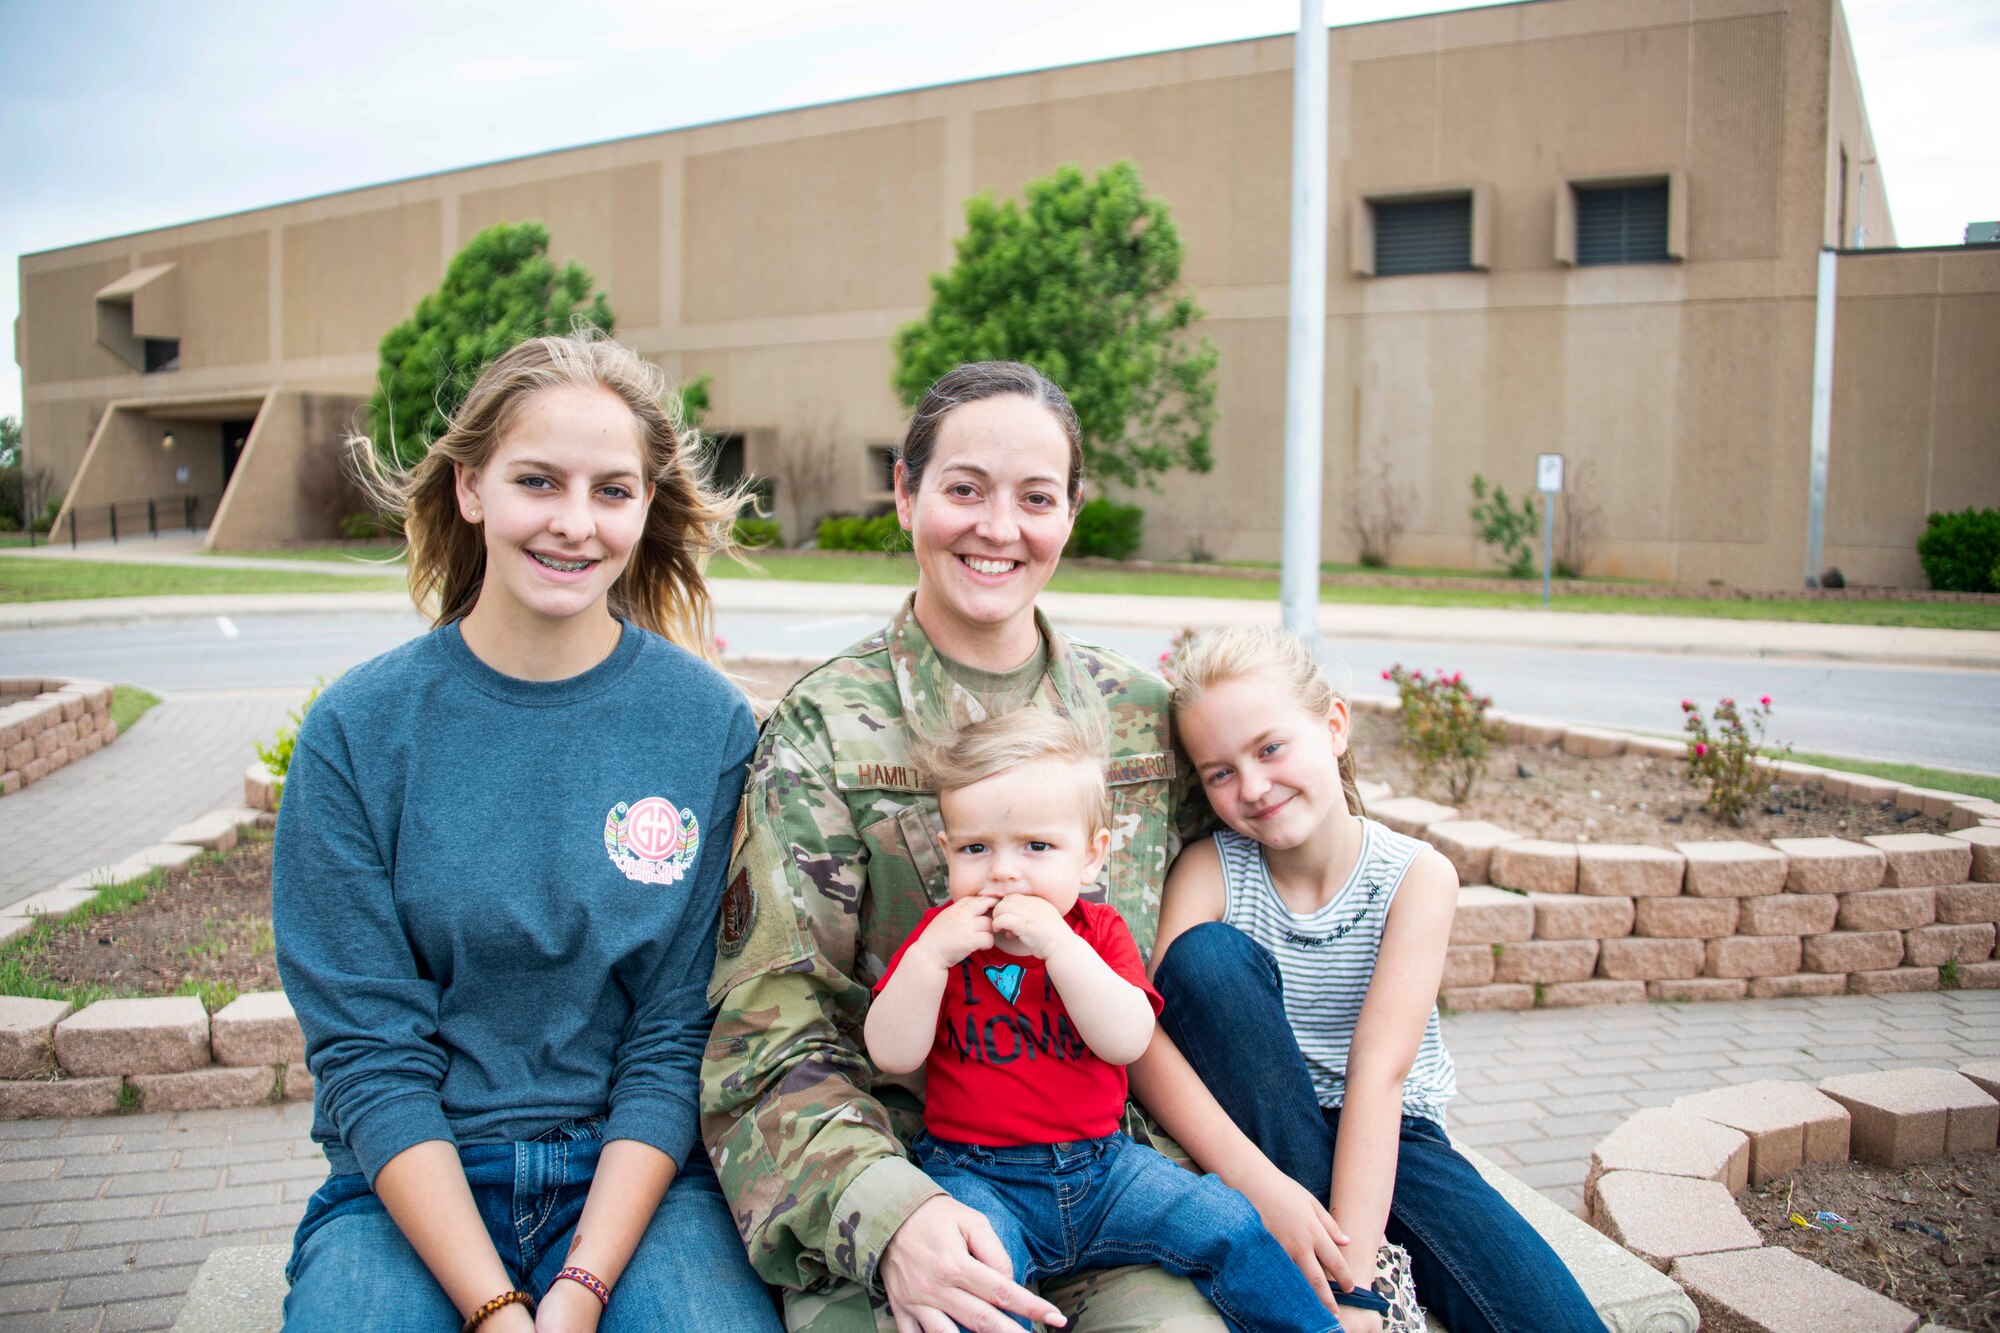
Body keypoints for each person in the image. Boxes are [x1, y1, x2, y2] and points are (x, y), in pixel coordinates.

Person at [703, 361, 1357, 1333]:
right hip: (907, 1192)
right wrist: (895, 1216)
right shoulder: (825, 731)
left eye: (1035, 497)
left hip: (1117, 1187)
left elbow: (1288, 884)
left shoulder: (1142, 721)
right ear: (904, 493)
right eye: (963, 488)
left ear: (1070, 512)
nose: (997, 527)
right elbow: (766, 1041)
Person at [274, 332, 781, 1333]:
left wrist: (582, 1287)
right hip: (411, 1187)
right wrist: (500, 1309)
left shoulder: (705, 726)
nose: (573, 524)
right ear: (470, 489)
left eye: (611, 491)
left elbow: (675, 1032)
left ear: (645, 505)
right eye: (537, 481)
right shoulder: (358, 732)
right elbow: (369, 1053)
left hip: (635, 1186)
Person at [1152, 626, 1603, 1333]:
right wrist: (1260, 1185)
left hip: (1395, 1135)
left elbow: (1380, 1077)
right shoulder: (1212, 871)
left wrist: (1355, 1281)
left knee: (1552, 1316)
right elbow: (1148, 1042)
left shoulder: (1416, 877)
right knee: (1205, 958)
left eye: (1270, 748)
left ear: (1334, 724)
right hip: (1263, 1126)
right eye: (1220, 772)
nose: (1255, 786)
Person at [864, 709, 1340, 1333]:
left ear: (1090, 857)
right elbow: (891, 1052)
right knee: (972, 1287)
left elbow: (1126, 1038)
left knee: (1228, 1222)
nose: (1004, 872)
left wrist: (1061, 949)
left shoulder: (1097, 933)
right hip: (976, 1173)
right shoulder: (940, 941)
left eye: (1037, 847)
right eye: (976, 849)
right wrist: (928, 959)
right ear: (949, 850)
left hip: (1105, 1168)